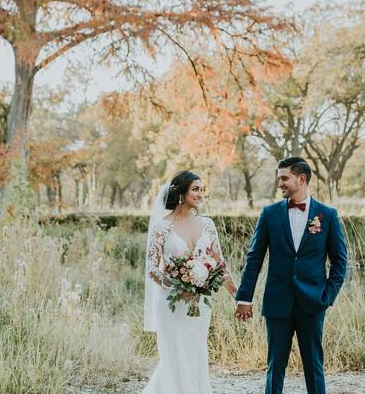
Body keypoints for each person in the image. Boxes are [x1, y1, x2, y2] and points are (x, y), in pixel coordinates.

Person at [234, 156, 348, 394]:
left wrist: (326, 296)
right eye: (279, 179)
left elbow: (340, 262)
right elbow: (254, 258)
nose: (280, 184)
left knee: (314, 365)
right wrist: (244, 298)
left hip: (313, 302)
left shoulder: (327, 215)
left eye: (284, 178)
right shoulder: (269, 214)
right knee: (275, 366)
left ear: (301, 179)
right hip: (278, 301)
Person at [141, 170, 237, 394]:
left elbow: (219, 264)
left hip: (199, 305)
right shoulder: (161, 228)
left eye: (202, 189)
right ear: (181, 193)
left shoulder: (207, 225)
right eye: (195, 189)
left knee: (195, 355)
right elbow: (153, 268)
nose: (201, 194)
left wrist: (239, 296)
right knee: (174, 357)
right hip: (170, 303)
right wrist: (175, 286)